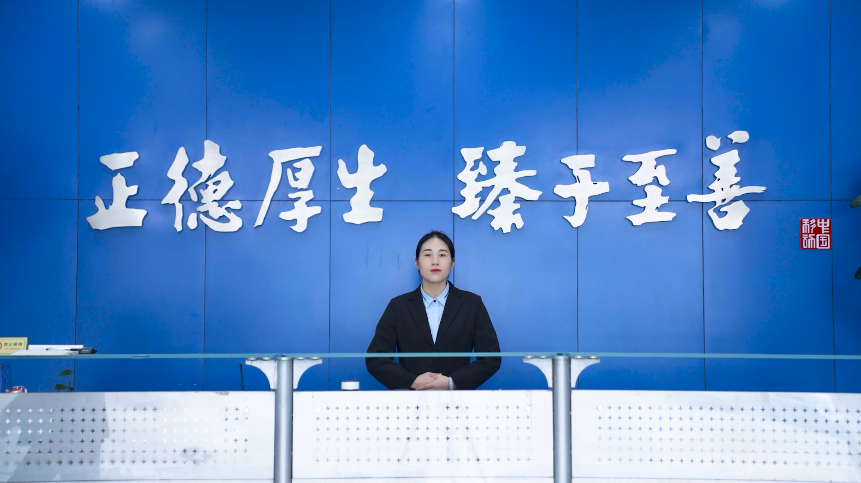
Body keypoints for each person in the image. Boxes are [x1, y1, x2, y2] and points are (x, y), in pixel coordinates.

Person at [366, 231, 501, 390]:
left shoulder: (472, 304)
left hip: (458, 400)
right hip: (411, 400)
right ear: (417, 262)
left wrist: (452, 382)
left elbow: (491, 358)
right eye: (428, 255)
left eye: (442, 255)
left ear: (452, 262)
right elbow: (376, 359)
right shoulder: (398, 306)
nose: (435, 261)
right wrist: (412, 381)